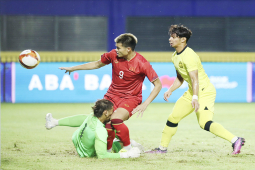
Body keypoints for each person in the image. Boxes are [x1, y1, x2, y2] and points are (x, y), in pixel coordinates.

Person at [146, 24, 245, 155]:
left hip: (204, 92)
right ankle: (162, 149)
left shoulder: (189, 55)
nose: (170, 39)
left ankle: (236, 140)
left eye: (174, 37)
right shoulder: (175, 56)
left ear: (183, 39)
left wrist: (195, 98)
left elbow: (195, 79)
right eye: (170, 37)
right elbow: (180, 78)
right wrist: (170, 90)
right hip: (193, 91)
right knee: (173, 117)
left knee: (204, 123)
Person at [59, 33, 162, 152]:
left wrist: (145, 104)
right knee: (103, 122)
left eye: (119, 48)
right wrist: (73, 68)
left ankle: (128, 148)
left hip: (130, 98)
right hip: (111, 96)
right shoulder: (113, 55)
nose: (116, 50)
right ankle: (107, 150)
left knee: (115, 120)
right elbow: (97, 64)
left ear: (128, 49)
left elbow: (158, 85)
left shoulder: (142, 63)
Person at [45, 99, 143, 159]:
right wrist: (127, 155)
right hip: (87, 153)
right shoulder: (100, 130)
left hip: (78, 142)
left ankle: (54, 122)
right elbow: (102, 156)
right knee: (124, 144)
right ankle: (128, 146)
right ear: (105, 112)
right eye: (112, 111)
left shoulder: (92, 117)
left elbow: (78, 119)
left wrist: (56, 122)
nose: (113, 114)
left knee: (87, 120)